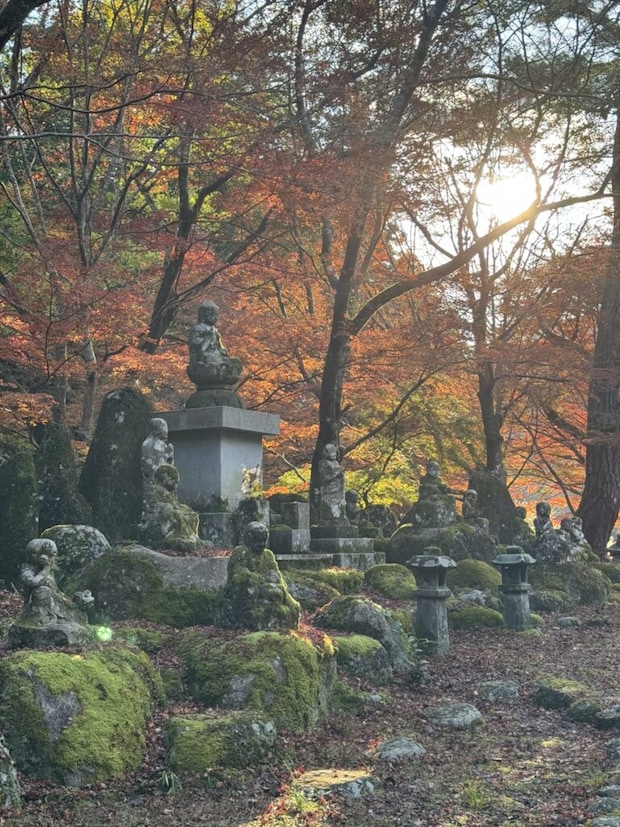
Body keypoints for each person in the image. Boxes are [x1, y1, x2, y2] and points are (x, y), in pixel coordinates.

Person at [141, 418, 174, 505]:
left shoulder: (163, 445)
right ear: (155, 429)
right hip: (153, 485)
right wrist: (166, 455)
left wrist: (169, 457)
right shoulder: (148, 444)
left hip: (164, 485)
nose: (166, 433)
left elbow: (169, 467)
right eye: (163, 430)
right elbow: (149, 468)